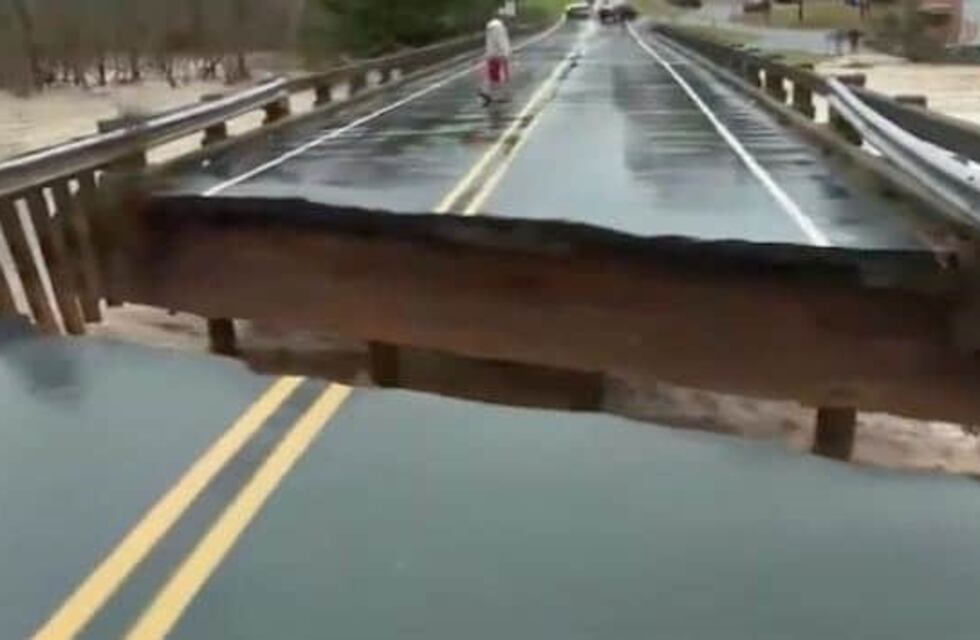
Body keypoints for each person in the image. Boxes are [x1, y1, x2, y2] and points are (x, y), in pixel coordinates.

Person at [480, 14, 512, 106]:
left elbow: (491, 42)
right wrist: (505, 53)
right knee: (502, 76)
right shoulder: (499, 28)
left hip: (492, 55)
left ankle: (488, 92)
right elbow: (501, 41)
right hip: (499, 55)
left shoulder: (490, 28)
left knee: (493, 75)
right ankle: (498, 95)